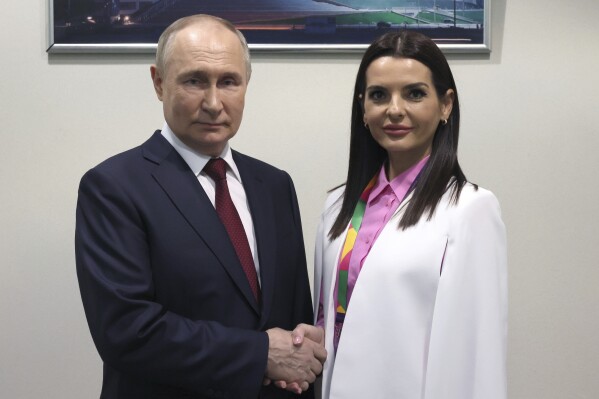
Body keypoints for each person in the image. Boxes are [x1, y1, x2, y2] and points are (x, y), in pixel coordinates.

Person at [75, 14, 325, 399]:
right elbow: (127, 332)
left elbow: (294, 321)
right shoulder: (113, 187)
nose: (213, 103)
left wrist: (302, 348)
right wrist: (259, 353)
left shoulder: (274, 184)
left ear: (246, 85)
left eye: (228, 81)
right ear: (159, 83)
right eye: (194, 81)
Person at [311, 31, 507, 398]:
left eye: (415, 93)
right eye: (379, 95)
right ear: (363, 108)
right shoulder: (338, 207)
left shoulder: (470, 209)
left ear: (446, 104)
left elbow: (473, 354)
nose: (394, 109)